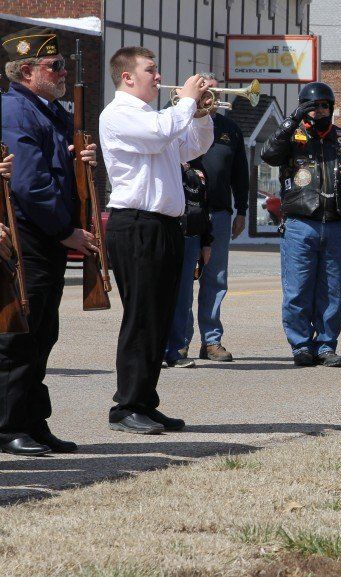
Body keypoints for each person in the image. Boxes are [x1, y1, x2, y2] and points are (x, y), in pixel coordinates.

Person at [99, 46, 215, 434]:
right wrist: (185, 101)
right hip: (135, 224)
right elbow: (158, 136)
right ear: (127, 77)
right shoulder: (118, 114)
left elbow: (192, 147)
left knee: (159, 318)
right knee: (141, 318)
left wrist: (199, 114)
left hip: (164, 225)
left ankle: (145, 402)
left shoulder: (155, 116)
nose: (157, 75)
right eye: (150, 70)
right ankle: (126, 406)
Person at [0, 27, 99, 454]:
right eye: (53, 65)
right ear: (25, 70)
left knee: (44, 333)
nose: (63, 72)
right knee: (20, 336)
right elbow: (30, 184)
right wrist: (66, 231)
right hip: (30, 238)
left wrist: (82, 157)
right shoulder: (16, 110)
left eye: (63, 65)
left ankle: (33, 421)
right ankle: (9, 426)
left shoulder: (50, 111)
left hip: (48, 238)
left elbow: (59, 172)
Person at [261, 82, 341, 367]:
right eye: (314, 105)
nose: (320, 110)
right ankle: (301, 345)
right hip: (300, 223)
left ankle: (326, 345)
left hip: (335, 224)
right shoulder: (292, 137)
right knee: (297, 289)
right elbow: (269, 154)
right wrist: (293, 119)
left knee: (331, 290)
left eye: (325, 105)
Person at [164, 73, 250, 366]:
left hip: (219, 212)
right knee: (184, 278)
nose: (208, 97)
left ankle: (211, 341)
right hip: (186, 212)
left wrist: (242, 210)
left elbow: (240, 173)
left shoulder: (230, 129)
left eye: (211, 92)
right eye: (202, 92)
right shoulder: (176, 122)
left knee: (216, 278)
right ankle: (180, 341)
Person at [164, 159, 214, 368]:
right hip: (164, 233)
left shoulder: (198, 167)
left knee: (183, 297)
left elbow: (204, 207)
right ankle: (155, 350)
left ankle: (176, 350)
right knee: (159, 295)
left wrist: (206, 241)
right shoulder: (162, 160)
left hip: (191, 237)